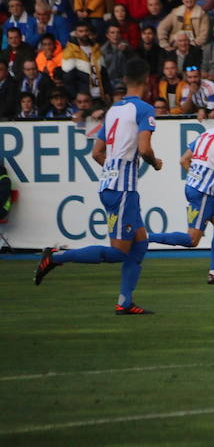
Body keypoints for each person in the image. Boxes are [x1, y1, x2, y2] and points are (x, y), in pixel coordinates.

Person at [34, 59, 163, 314]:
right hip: (122, 190)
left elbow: (96, 153)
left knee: (140, 245)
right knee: (118, 252)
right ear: (148, 81)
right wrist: (155, 162)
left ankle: (125, 302)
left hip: (112, 186)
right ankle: (56, 257)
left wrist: (114, 171)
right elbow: (145, 148)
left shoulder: (114, 109)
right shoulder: (145, 109)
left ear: (125, 81)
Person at [147, 103, 214, 284]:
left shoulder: (208, 133)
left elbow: (184, 160)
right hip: (202, 192)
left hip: (198, 189)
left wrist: (199, 177)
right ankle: (144, 237)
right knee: (191, 240)